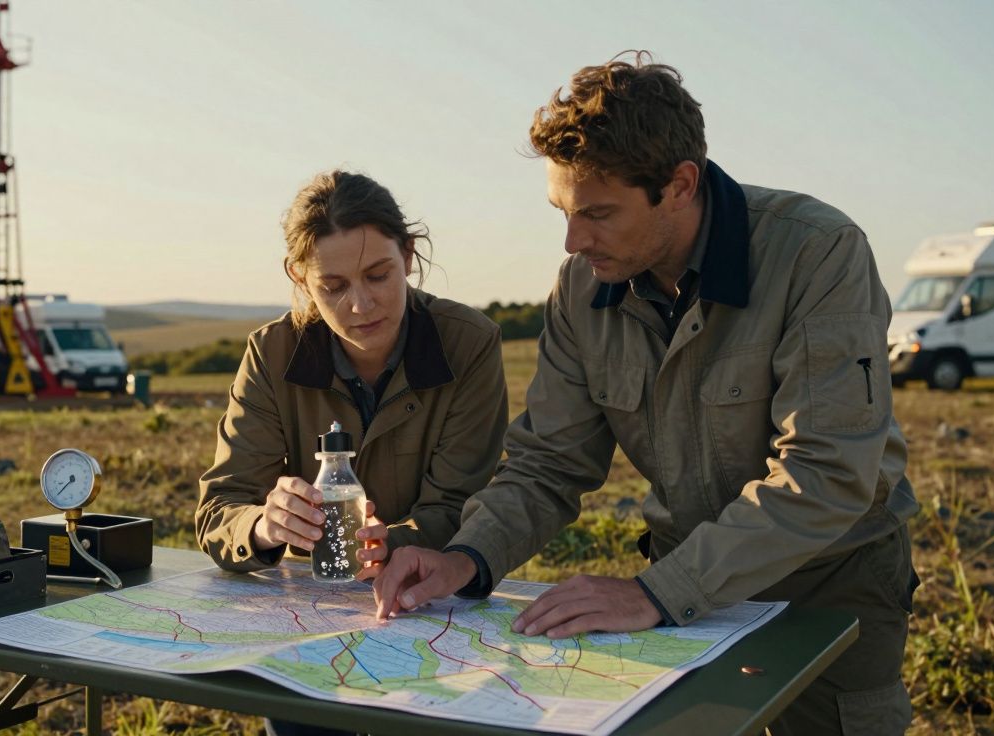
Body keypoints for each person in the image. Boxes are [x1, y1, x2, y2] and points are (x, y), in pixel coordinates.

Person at [373, 52, 920, 736]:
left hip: (830, 581)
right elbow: (548, 463)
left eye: (598, 213)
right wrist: (467, 556)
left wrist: (657, 594)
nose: (573, 241)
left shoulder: (819, 254)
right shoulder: (580, 288)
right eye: (563, 212)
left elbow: (828, 475)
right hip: (677, 582)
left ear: (680, 185)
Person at [195, 168, 509, 582]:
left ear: (409, 255)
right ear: (300, 277)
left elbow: (457, 509)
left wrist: (384, 545)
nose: (361, 305)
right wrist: (262, 526)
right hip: (311, 595)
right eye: (333, 286)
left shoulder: (469, 344)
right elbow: (220, 510)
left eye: (378, 276)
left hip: (426, 591)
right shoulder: (271, 354)